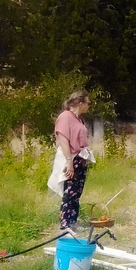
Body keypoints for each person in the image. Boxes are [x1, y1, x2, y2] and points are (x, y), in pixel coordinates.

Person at [51, 91, 94, 233]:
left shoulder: (78, 119)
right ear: (81, 104)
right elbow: (63, 139)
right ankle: (65, 225)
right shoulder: (65, 117)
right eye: (88, 103)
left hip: (81, 158)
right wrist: (69, 161)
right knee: (69, 191)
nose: (89, 105)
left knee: (77, 192)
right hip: (71, 158)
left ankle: (73, 222)